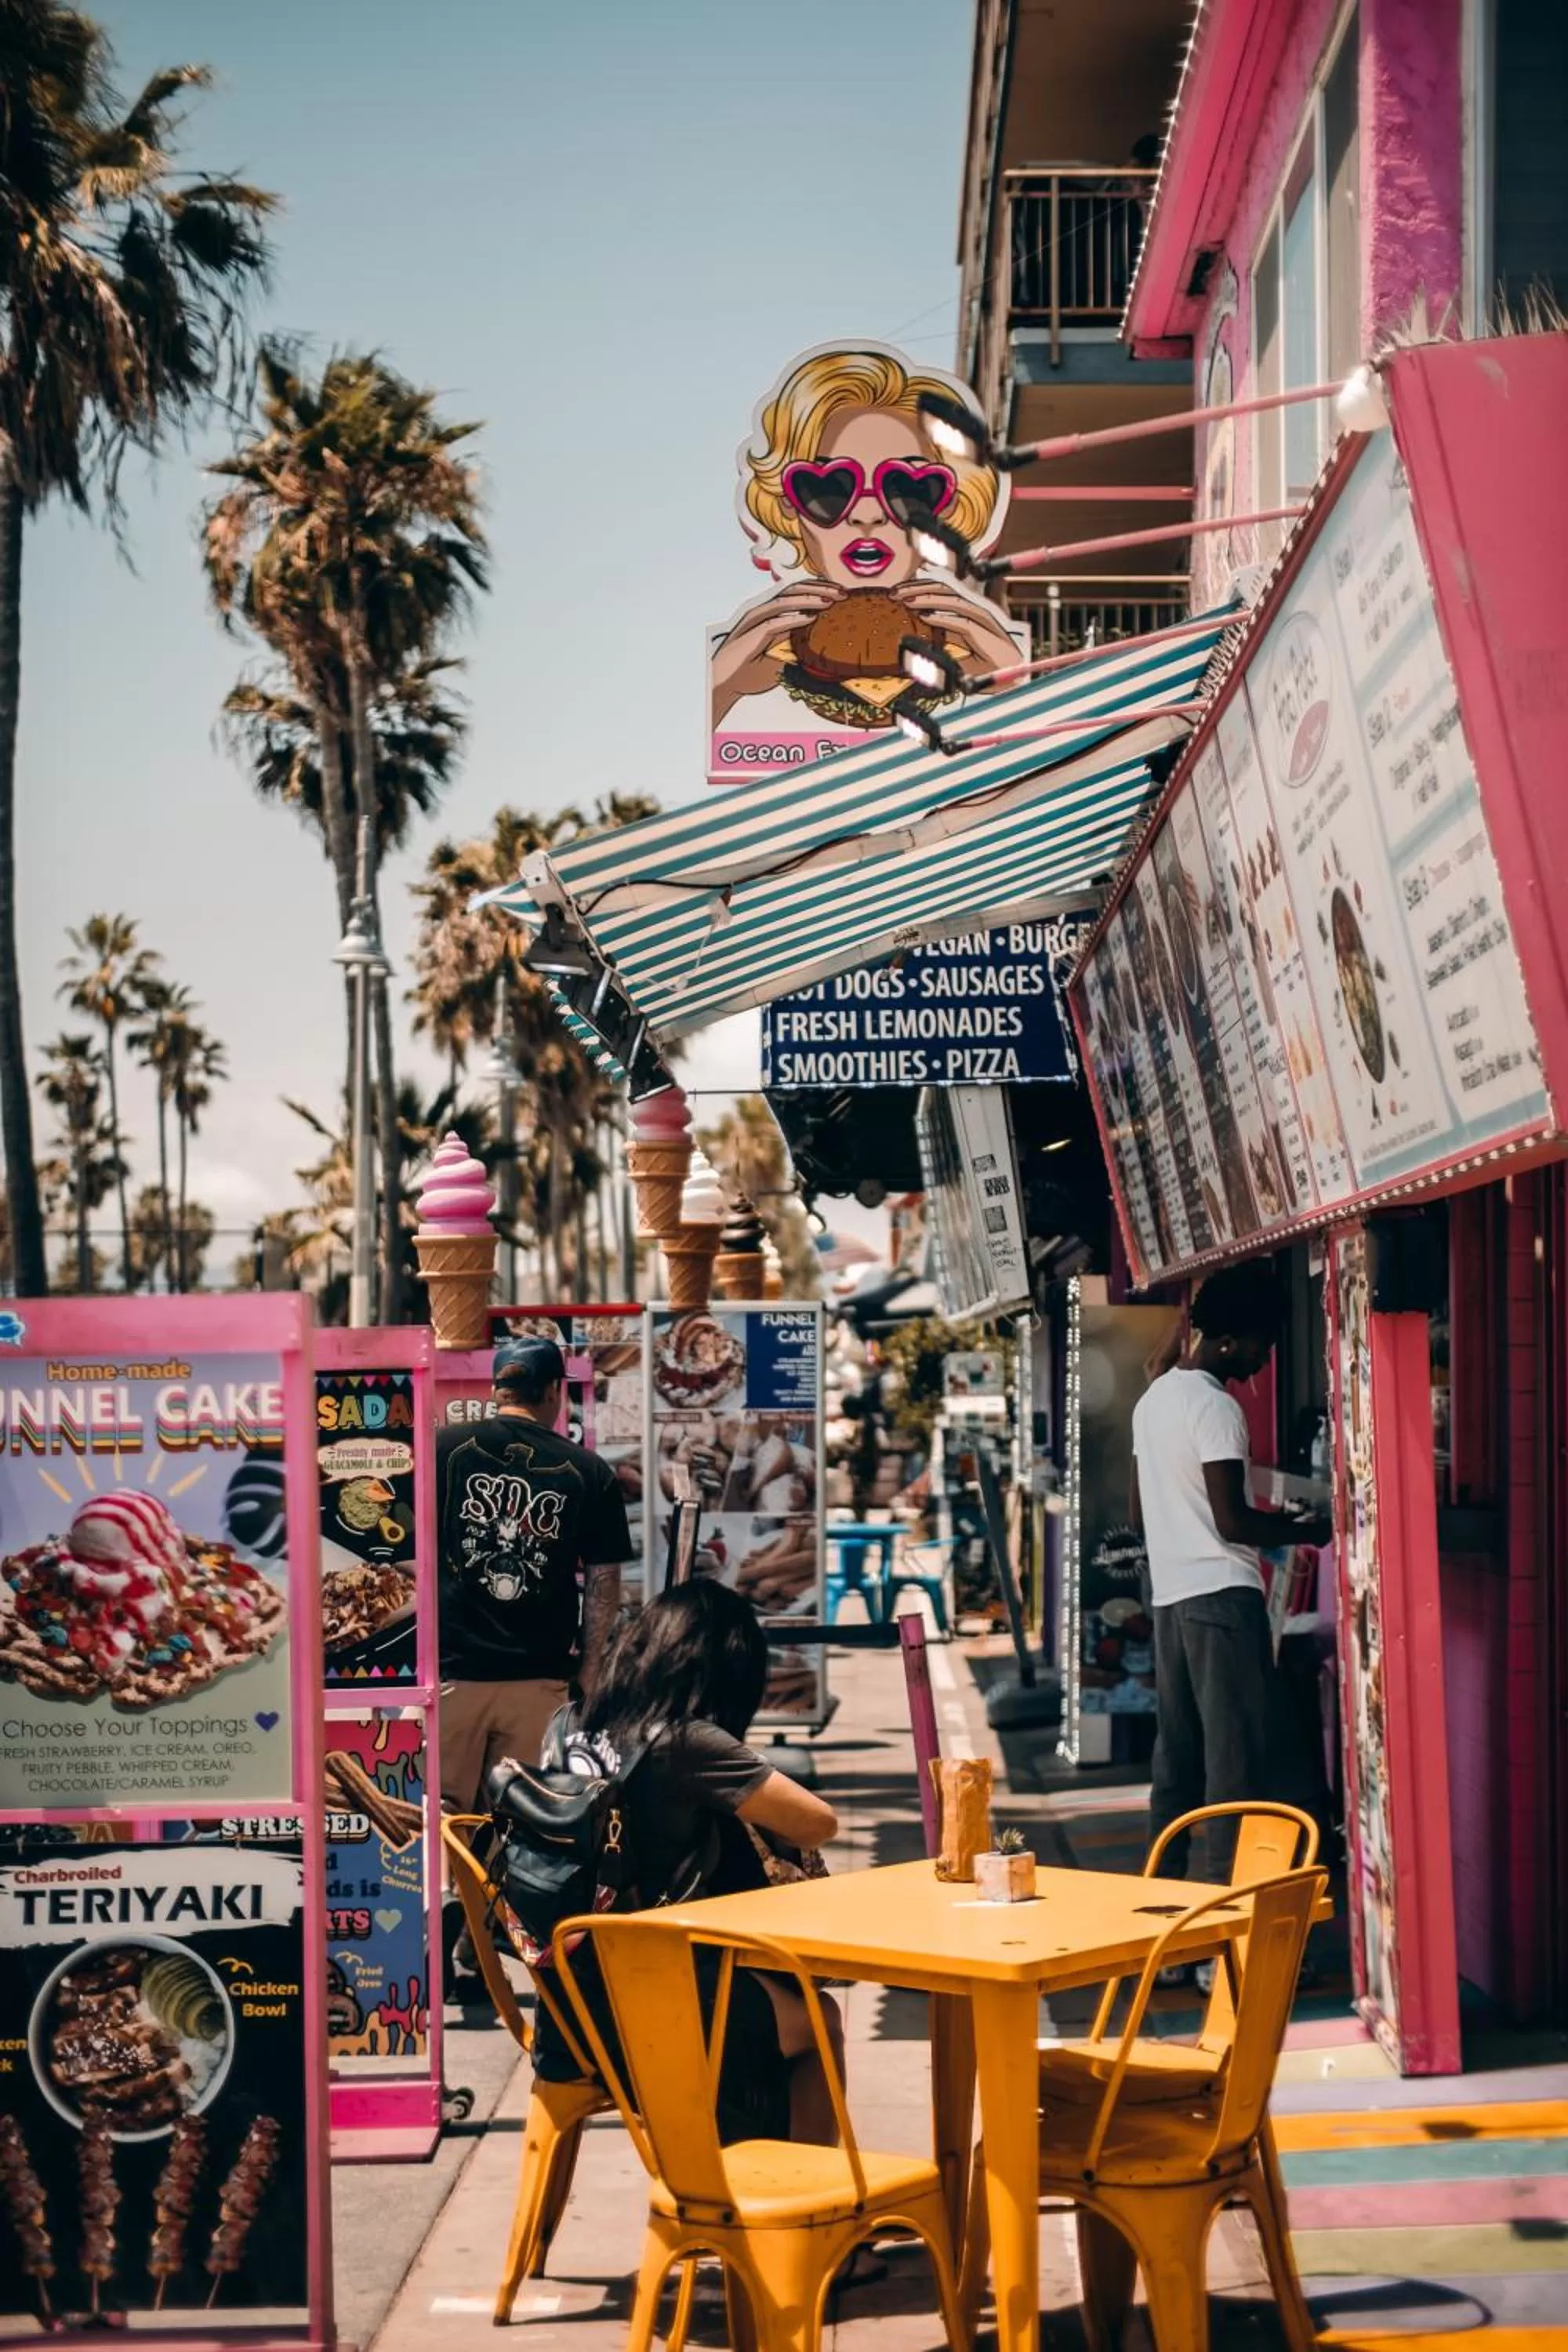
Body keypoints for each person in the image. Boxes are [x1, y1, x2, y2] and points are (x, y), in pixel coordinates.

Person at [537, 1578, 843, 2145]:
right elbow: (817, 1822)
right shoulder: (684, 1741)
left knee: (761, 1995)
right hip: (656, 2001)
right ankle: (819, 2206)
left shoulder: (570, 1724)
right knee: (820, 2020)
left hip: (570, 2004)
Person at [1130, 1266, 1330, 1881]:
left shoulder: (1154, 1399)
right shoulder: (1216, 1407)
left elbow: (1140, 1516)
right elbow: (1235, 1523)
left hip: (1171, 1600)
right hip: (1222, 1601)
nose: (1264, 1359)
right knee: (1235, 1764)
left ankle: (1160, 1906)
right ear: (1226, 1341)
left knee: (1178, 1761)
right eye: (1260, 1344)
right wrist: (1308, 1528)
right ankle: (1223, 1933)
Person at [710, 343, 1018, 732]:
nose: (867, 515)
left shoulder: (985, 651)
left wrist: (1017, 687)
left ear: (948, 509)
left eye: (908, 492)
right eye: (829, 490)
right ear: (787, 503)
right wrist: (720, 688)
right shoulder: (739, 662)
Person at [436, 1334, 632, 1818]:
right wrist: (588, 1669)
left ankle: (448, 1894)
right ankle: (510, 1898)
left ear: (497, 1391)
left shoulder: (441, 1449)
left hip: (451, 1674)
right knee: (526, 1815)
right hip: (538, 1677)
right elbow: (605, 1581)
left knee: (441, 1814)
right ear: (553, 1393)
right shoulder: (590, 1471)